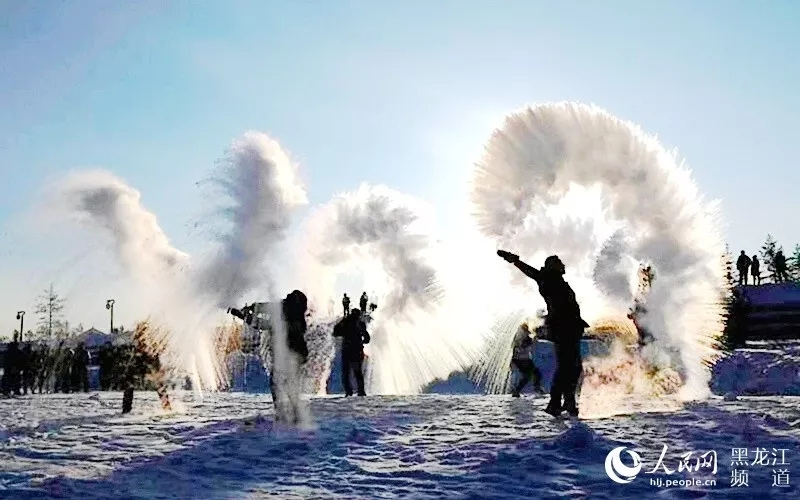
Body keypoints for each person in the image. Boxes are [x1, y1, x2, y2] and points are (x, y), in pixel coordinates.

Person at [497, 250, 588, 417]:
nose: (563, 265)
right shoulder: (549, 279)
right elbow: (532, 273)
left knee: (572, 367)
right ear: (553, 266)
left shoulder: (555, 280)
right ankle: (558, 403)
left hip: (569, 327)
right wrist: (515, 261)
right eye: (559, 262)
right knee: (567, 367)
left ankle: (565, 402)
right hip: (563, 328)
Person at [333, 308, 370, 396]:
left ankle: (350, 391)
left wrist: (342, 322)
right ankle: (360, 391)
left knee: (347, 372)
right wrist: (362, 341)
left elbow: (336, 332)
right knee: (356, 372)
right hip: (356, 349)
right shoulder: (358, 324)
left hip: (348, 349)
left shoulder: (347, 323)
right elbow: (367, 338)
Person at [511, 323, 543, 397]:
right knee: (527, 375)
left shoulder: (527, 338)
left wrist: (533, 340)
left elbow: (530, 345)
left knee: (536, 373)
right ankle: (516, 391)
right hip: (520, 359)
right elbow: (520, 348)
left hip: (526, 359)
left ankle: (537, 388)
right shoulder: (519, 338)